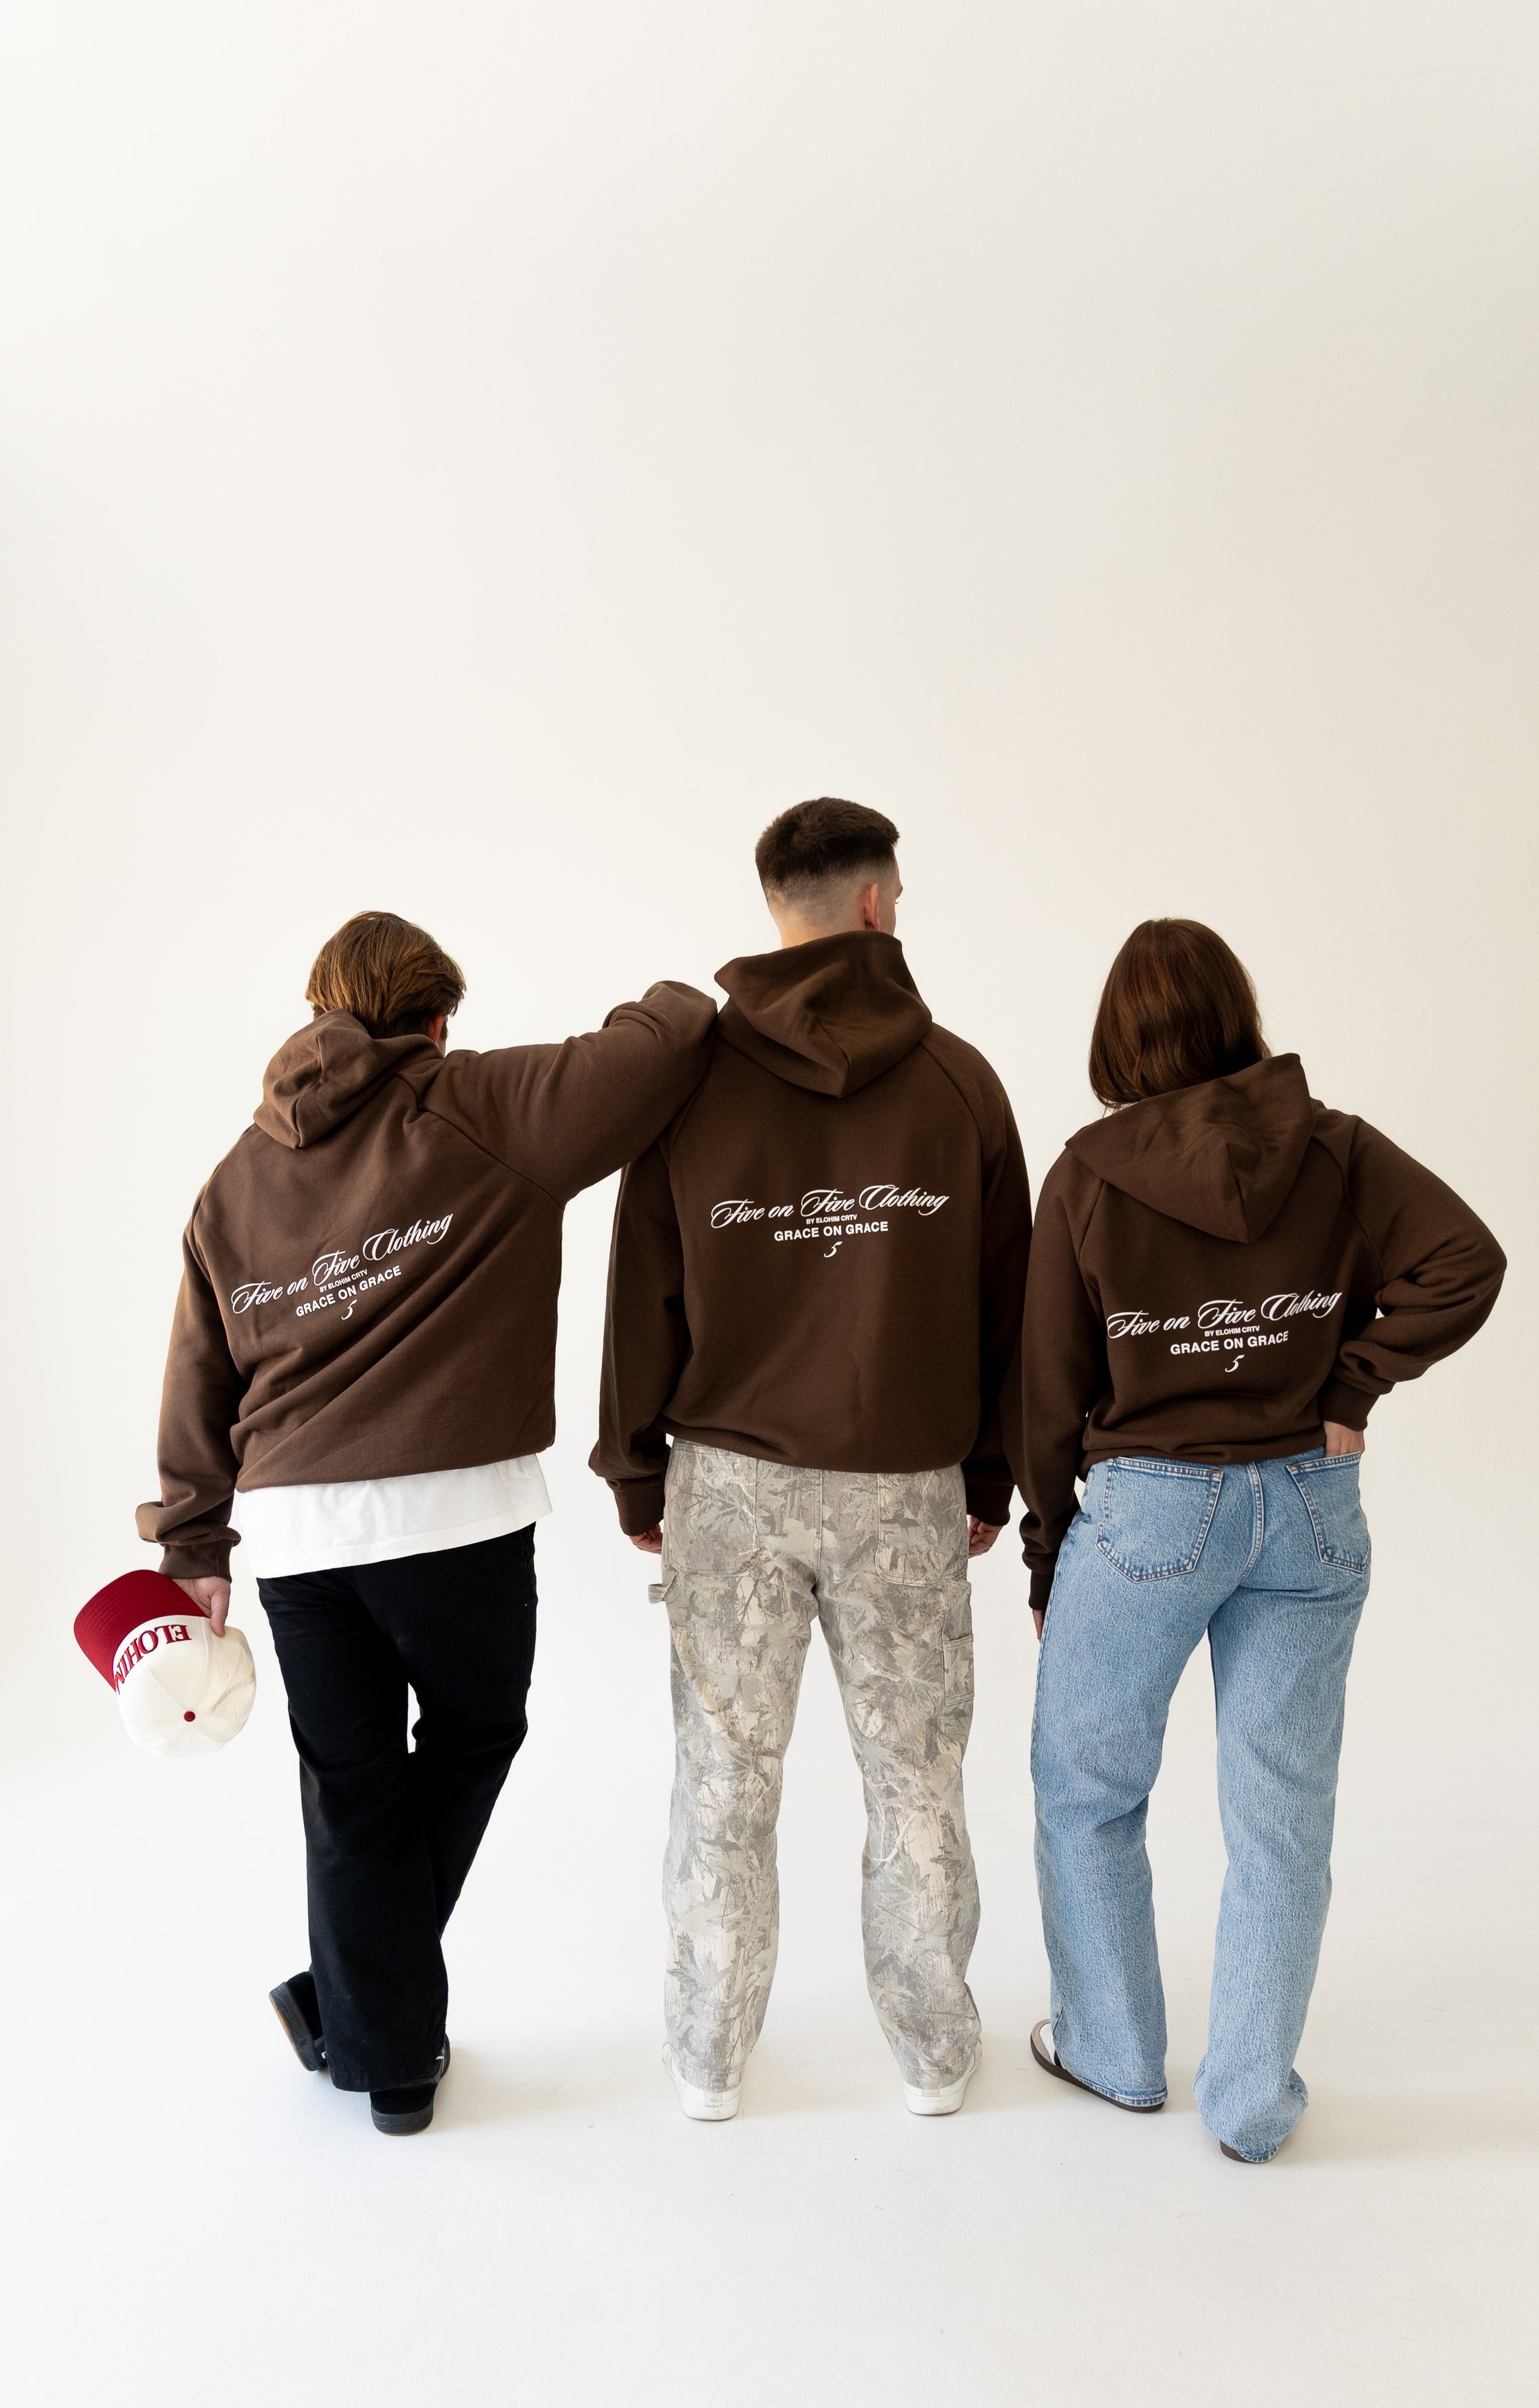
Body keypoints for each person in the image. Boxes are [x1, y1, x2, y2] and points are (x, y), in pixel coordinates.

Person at [138, 911, 714, 2134]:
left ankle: (372, 2038)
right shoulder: (483, 1105)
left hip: (294, 1540)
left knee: (352, 1789)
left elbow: (197, 1374)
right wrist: (686, 977)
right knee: (475, 1731)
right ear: (439, 1019)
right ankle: (366, 2015)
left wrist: (196, 1547)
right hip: (456, 1522)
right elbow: (669, 1040)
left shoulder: (233, 1182)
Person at [1014, 919, 1505, 2164]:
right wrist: (1347, 1388)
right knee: (1282, 1815)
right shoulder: (1334, 1146)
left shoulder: (1085, 1171)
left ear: (1117, 1036)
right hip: (1308, 1507)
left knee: (1088, 1787)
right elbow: (1465, 1259)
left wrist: (1047, 1552)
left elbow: (1046, 1389)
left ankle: (1114, 2054)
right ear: (1239, 1012)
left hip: (1148, 1515)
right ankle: (1247, 2104)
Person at [591, 798, 1031, 2120]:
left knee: (722, 1785)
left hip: (726, 1485)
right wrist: (987, 1476)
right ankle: (934, 2057)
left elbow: (639, 1293)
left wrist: (632, 1469)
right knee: (915, 1787)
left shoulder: (688, 1089)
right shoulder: (958, 1083)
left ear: (777, 908)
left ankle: (705, 2059)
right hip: (904, 1483)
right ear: (875, 906)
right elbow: (1008, 1304)